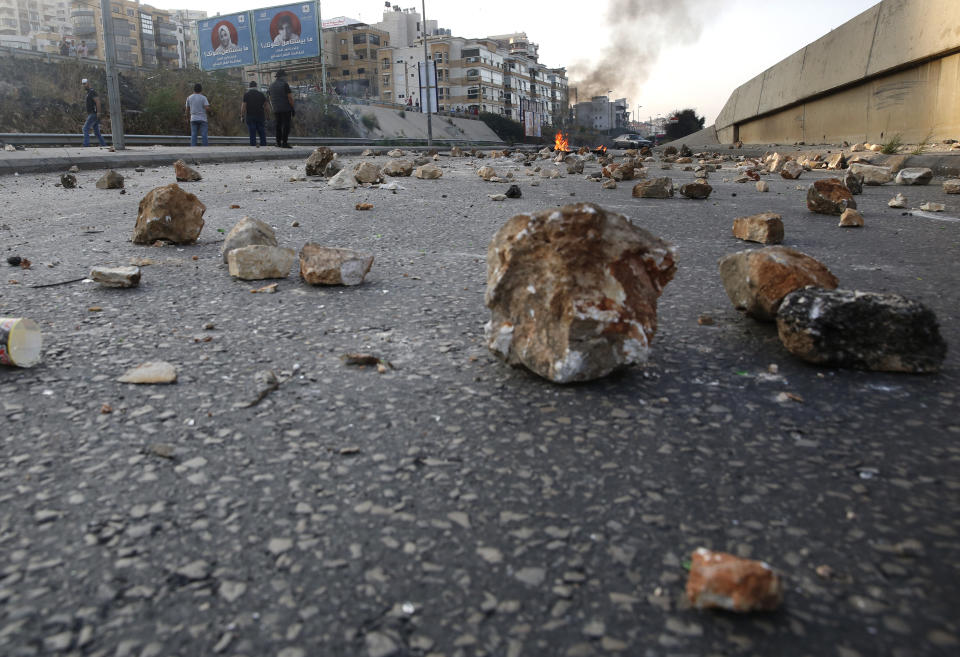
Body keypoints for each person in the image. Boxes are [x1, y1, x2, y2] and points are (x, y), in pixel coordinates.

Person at [268, 70, 294, 148]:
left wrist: (273, 107)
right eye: (285, 76)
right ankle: (284, 143)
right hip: (286, 108)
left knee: (278, 125)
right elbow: (290, 97)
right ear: (282, 76)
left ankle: (278, 142)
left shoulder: (271, 85)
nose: (286, 77)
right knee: (286, 125)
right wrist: (292, 107)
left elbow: (269, 97)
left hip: (276, 109)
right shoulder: (285, 84)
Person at [240, 81, 268, 147]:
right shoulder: (261, 94)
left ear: (249, 87)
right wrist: (268, 116)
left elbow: (243, 106)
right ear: (256, 86)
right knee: (261, 131)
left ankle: (253, 146)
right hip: (260, 116)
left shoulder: (246, 95)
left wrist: (242, 116)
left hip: (250, 116)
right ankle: (263, 146)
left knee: (252, 132)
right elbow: (267, 106)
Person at [81, 78, 106, 148]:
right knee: (97, 132)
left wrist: (98, 113)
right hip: (92, 114)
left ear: (88, 83)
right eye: (83, 84)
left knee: (85, 129)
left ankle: (86, 145)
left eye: (85, 83)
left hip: (94, 114)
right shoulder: (88, 93)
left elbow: (98, 102)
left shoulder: (92, 92)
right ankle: (103, 144)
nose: (84, 85)